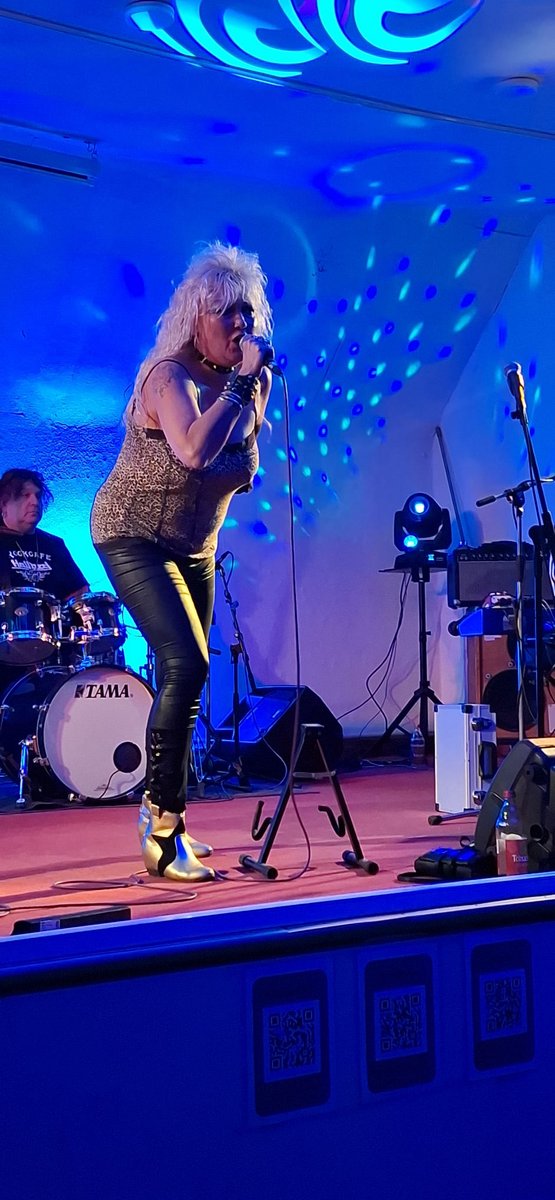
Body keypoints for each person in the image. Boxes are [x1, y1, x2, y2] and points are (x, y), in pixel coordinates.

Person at [91, 241, 274, 883]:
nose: (239, 325)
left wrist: (248, 385)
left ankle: (176, 816)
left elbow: (237, 462)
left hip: (195, 547)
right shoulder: (168, 377)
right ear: (196, 317)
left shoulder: (251, 384)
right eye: (226, 313)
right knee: (186, 663)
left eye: (246, 313)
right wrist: (243, 383)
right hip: (132, 533)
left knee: (191, 679)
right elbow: (194, 452)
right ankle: (160, 829)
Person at [0, 468, 89, 694]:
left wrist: (86, 615)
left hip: (53, 654)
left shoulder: (54, 545)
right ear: (3, 504)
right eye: (24, 495)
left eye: (38, 496)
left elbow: (79, 595)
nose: (34, 502)